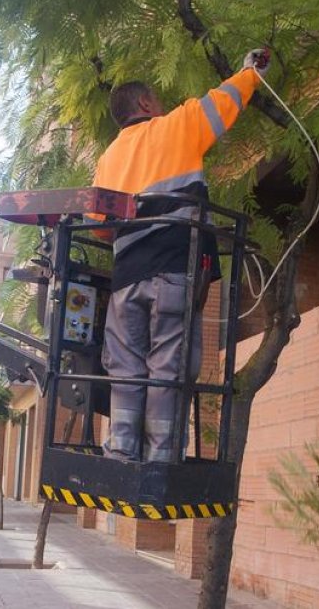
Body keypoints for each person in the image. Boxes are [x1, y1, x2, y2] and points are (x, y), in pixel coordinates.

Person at [94, 49, 269, 462]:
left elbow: (99, 225)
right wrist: (251, 71)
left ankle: (121, 450)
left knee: (125, 368)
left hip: (125, 281)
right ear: (145, 104)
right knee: (168, 366)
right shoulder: (177, 126)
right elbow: (224, 101)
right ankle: (161, 458)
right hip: (174, 269)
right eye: (157, 98)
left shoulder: (107, 159)